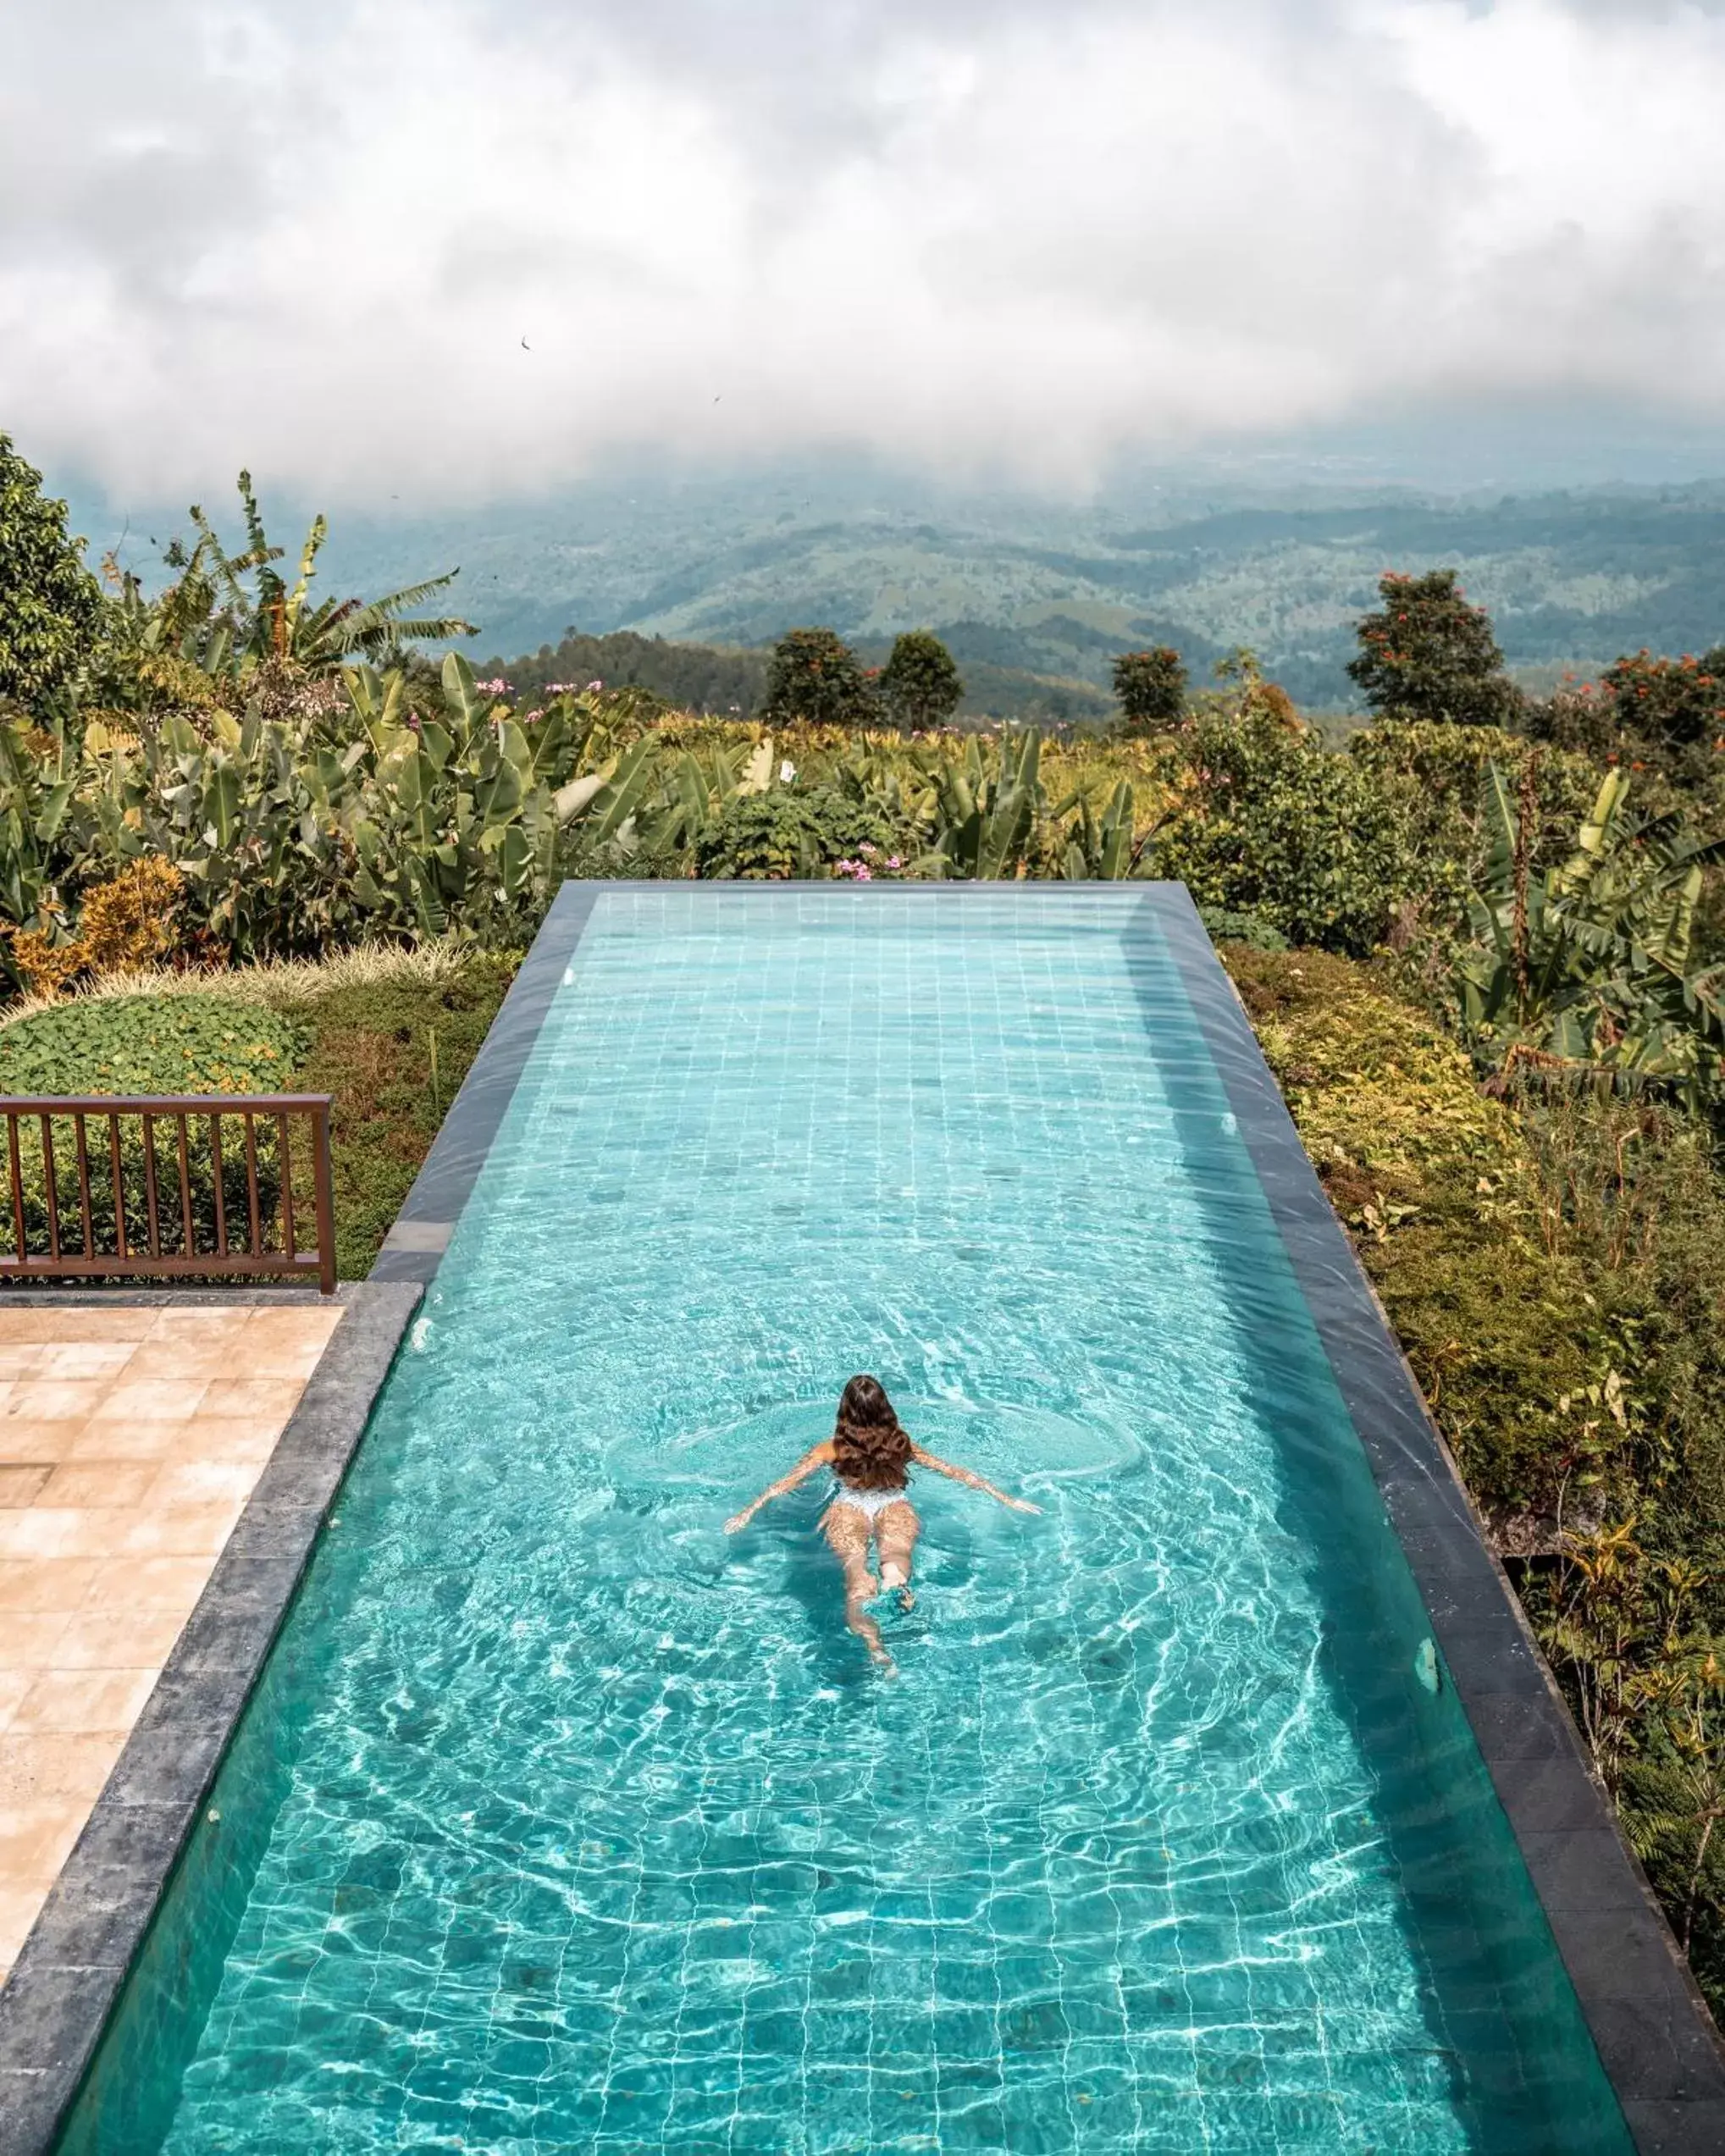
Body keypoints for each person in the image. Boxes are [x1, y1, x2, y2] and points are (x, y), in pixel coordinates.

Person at [723, 1374, 1039, 1668]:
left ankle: (874, 1643)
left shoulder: (832, 1449)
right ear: (885, 1409)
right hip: (894, 1505)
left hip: (850, 1508)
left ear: (845, 1412)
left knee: (856, 1574)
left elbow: (785, 1484)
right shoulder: (902, 1445)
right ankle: (894, 1583)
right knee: (895, 1561)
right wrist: (1007, 1498)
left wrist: (748, 1512)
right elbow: (956, 1472)